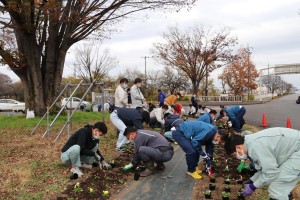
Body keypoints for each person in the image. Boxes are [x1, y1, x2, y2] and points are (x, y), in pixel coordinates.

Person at [223, 127, 300, 200]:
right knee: (279, 186)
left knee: (277, 187)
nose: (238, 157)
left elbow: (271, 173)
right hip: (293, 149)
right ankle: (285, 196)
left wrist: (253, 186)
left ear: (238, 147)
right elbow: (264, 169)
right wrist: (252, 180)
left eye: (235, 154)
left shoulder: (256, 146)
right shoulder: (250, 143)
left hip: (297, 150)